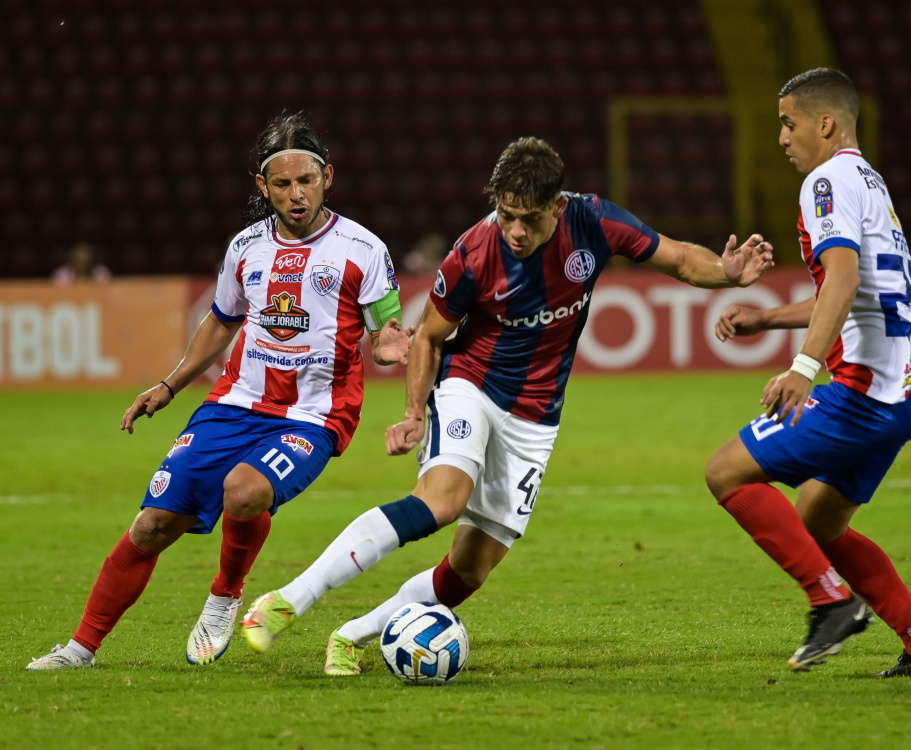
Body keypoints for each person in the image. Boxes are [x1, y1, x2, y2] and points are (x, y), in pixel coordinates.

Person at [240, 136, 775, 675]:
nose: (515, 230)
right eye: (506, 214)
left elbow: (681, 258)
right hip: (469, 384)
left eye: (529, 218)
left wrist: (725, 274)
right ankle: (291, 598)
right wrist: (413, 412)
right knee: (441, 502)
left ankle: (353, 634)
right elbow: (427, 336)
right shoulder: (473, 253)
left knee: (470, 569)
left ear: (556, 206)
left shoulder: (593, 222)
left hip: (536, 417)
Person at [27, 113, 412, 670]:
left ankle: (226, 593)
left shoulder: (364, 249)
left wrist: (389, 347)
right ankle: (80, 649)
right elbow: (220, 321)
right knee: (151, 524)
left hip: (313, 415)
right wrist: (169, 384)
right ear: (263, 187)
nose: (296, 194)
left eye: (306, 180)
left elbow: (385, 331)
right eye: (281, 184)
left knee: (243, 490)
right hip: (233, 404)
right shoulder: (246, 247)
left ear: (328, 176)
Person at [705, 68, 911, 677]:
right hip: (910, 390)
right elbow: (859, 290)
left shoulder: (824, 182)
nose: (782, 138)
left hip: (866, 394)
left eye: (788, 123)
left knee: (727, 473)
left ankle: (831, 603)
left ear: (825, 123)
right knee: (816, 523)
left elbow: (843, 280)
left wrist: (800, 368)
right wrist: (769, 317)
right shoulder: (867, 179)